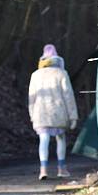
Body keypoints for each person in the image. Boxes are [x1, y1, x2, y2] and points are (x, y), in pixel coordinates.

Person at [28, 44, 78, 180]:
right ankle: (61, 168)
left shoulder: (35, 75)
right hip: (59, 112)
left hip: (40, 113)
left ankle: (43, 169)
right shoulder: (61, 73)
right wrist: (73, 116)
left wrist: (32, 114)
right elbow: (68, 95)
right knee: (60, 138)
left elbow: (31, 97)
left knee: (43, 139)